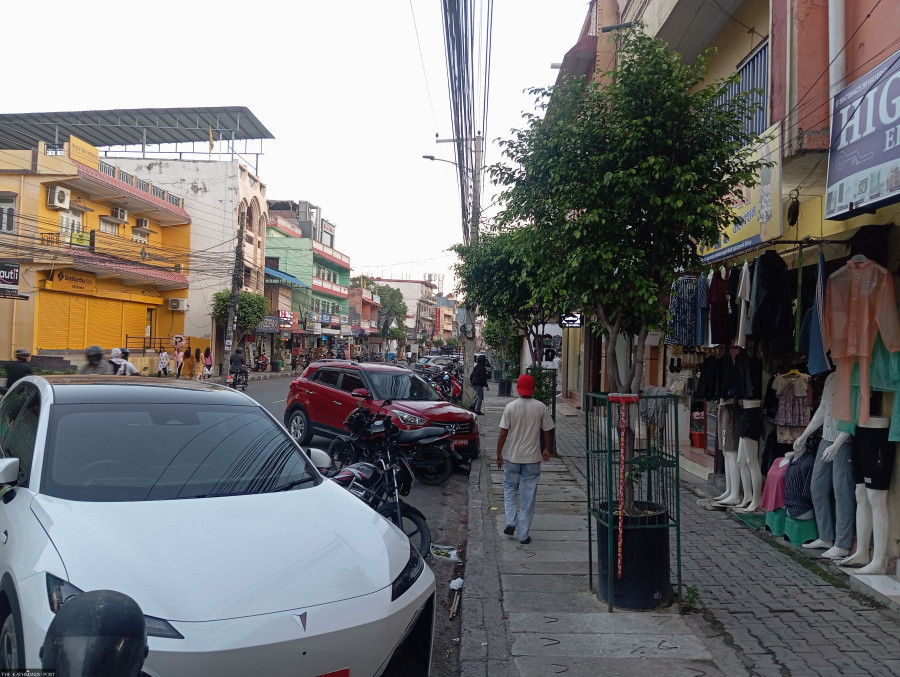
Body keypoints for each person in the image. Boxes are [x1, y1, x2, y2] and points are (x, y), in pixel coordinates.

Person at [496, 374, 555, 545]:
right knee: (528, 496)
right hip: (532, 459)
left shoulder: (510, 407)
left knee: (509, 489)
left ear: (518, 388)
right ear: (533, 388)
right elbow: (548, 431)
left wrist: (499, 453)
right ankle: (523, 535)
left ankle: (510, 521)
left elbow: (503, 432)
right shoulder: (541, 407)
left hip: (513, 458)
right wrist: (547, 450)